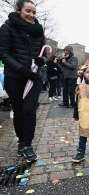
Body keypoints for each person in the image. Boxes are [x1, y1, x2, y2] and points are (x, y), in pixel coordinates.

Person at [0, 0, 47, 162]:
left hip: (35, 78)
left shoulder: (38, 30)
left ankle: (28, 145)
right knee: (19, 112)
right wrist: (22, 69)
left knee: (29, 110)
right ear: (18, 10)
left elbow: (44, 53)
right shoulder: (7, 28)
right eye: (28, 11)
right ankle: (21, 141)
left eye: (34, 12)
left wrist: (42, 61)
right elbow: (4, 54)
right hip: (15, 77)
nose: (31, 15)